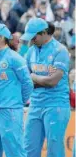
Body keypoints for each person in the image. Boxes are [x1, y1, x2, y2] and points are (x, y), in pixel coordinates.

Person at [0, 24, 33, 157]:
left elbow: (28, 84)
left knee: (14, 150)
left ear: (1, 38)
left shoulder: (15, 58)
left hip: (9, 110)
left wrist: (16, 102)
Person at [21, 18, 71, 157]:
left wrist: (34, 77)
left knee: (54, 150)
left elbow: (52, 81)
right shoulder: (31, 51)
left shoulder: (60, 50)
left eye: (34, 36)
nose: (31, 40)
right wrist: (36, 79)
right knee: (28, 148)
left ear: (44, 33)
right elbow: (25, 78)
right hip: (35, 104)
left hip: (56, 105)